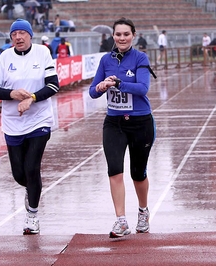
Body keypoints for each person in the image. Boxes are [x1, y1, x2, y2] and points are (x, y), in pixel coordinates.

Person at [0, 19, 59, 235]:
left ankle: (32, 216)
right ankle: (31, 189)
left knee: (31, 167)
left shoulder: (42, 53)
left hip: (39, 120)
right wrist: (12, 94)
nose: (18, 37)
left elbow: (53, 85)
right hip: (12, 123)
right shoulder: (4, 57)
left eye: (22, 33)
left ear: (30, 36)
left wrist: (32, 98)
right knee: (19, 174)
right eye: (14, 34)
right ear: (10, 38)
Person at [89, 17, 157, 238]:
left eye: (126, 34)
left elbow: (143, 88)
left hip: (140, 122)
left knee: (138, 173)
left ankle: (143, 210)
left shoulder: (140, 58)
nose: (122, 38)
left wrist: (118, 83)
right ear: (113, 36)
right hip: (114, 123)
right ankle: (121, 220)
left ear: (133, 35)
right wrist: (100, 87)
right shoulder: (106, 60)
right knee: (114, 170)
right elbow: (92, 91)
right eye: (118, 34)